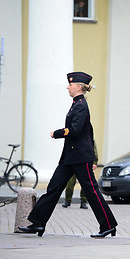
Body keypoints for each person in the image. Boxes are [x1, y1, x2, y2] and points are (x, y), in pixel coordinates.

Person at [18, 72, 117, 237]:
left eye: (70, 85)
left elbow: (75, 130)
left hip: (80, 158)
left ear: (78, 87)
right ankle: (38, 223)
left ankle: (108, 225)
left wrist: (56, 133)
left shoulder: (81, 105)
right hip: (70, 157)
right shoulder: (76, 104)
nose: (67, 87)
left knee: (91, 191)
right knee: (53, 188)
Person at [62, 142, 98, 209]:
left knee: (85, 184)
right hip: (72, 163)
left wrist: (95, 162)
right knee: (70, 184)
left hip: (84, 163)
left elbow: (93, 149)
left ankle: (83, 201)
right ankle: (67, 200)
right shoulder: (73, 135)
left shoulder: (88, 137)